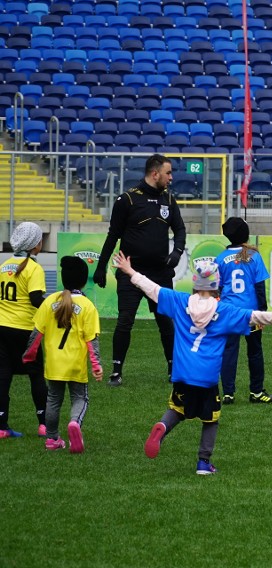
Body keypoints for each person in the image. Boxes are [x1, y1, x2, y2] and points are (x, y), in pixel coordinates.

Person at [112, 251, 272, 475]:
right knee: (211, 419)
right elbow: (256, 316)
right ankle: (203, 463)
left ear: (195, 283)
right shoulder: (225, 311)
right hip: (206, 376)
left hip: (183, 372)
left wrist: (129, 271)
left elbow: (152, 289)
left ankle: (163, 427)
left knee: (178, 408)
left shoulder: (180, 301)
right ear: (217, 285)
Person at [92, 154, 186, 387]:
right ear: (155, 173)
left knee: (166, 321)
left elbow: (180, 230)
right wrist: (101, 267)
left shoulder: (169, 200)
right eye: (168, 173)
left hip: (160, 274)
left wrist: (177, 252)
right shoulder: (127, 200)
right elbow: (113, 235)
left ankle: (173, 368)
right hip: (130, 272)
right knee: (125, 321)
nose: (171, 177)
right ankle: (116, 371)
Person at [23, 256, 103, 452]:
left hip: (54, 364)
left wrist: (28, 355)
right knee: (80, 398)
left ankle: (52, 439)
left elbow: (36, 333)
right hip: (75, 365)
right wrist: (96, 365)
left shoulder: (49, 301)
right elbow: (91, 340)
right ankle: (74, 423)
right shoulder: (87, 306)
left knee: (53, 399)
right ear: (84, 280)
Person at [215, 217, 272, 405]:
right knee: (255, 351)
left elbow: (217, 288)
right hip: (250, 313)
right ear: (246, 234)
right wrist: (263, 313)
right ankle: (256, 392)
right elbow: (259, 287)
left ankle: (228, 393)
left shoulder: (220, 258)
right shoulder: (254, 256)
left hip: (229, 312)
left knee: (229, 351)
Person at [0, 222, 48, 439]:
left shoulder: (4, 265)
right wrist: (55, 306)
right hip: (26, 330)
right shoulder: (34, 268)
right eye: (39, 239)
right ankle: (43, 424)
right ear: (34, 244)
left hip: (2, 328)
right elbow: (36, 299)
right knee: (36, 374)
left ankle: (2, 426)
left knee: (3, 376)